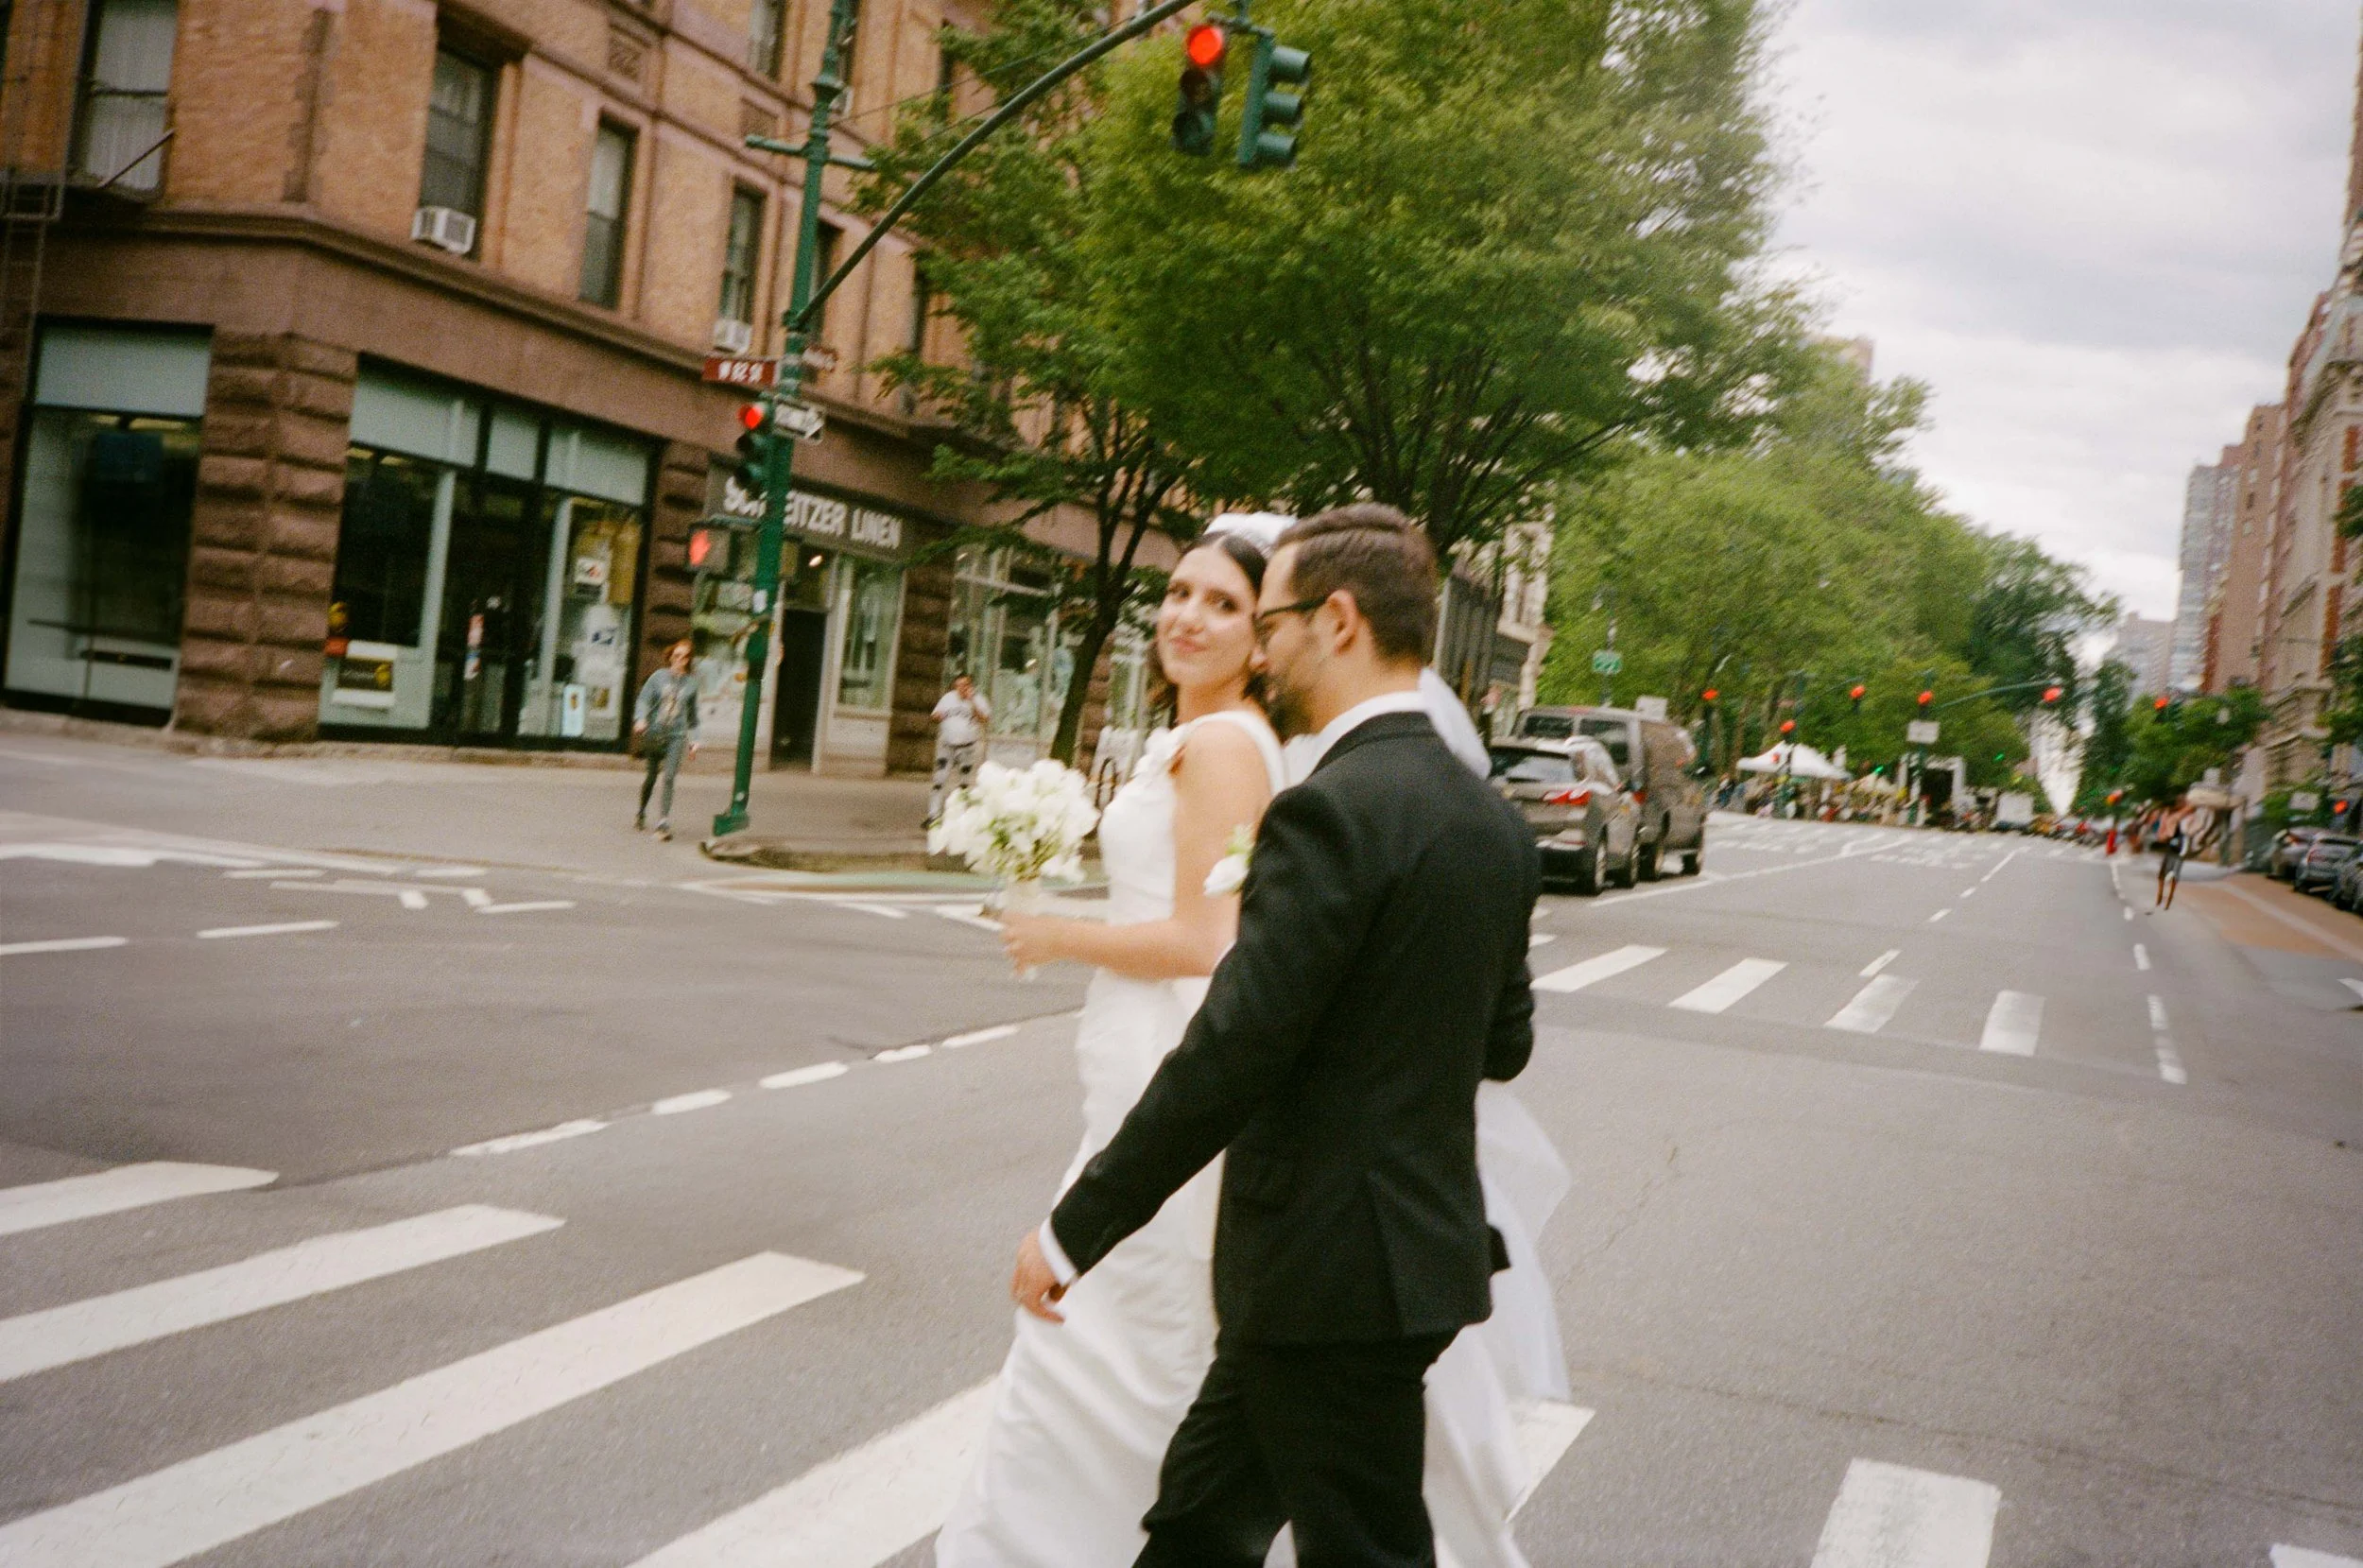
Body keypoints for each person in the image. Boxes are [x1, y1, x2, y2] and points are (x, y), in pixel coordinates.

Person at [992, 504, 1552, 1568]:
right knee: (1198, 1528)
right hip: (1382, 1264)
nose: (1267, 649)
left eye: (1277, 620)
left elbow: (1234, 1049)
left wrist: (1075, 1231)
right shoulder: (1489, 821)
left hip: (1327, 1271)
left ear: (1336, 621)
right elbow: (1503, 1042)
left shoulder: (1331, 809)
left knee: (1361, 1547)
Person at [632, 640, 699, 841]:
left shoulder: (691, 684)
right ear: (670, 656)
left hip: (676, 736)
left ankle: (663, 822)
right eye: (677, 655)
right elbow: (644, 699)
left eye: (684, 657)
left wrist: (694, 740)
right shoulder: (658, 678)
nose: (680, 660)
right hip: (655, 732)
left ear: (689, 660)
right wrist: (641, 718)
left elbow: (693, 716)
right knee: (651, 777)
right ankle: (642, 811)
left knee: (669, 776)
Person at [930, 674, 992, 821]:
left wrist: (972, 702)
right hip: (947, 745)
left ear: (971, 686)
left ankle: (962, 816)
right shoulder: (948, 698)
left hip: (966, 746)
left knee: (964, 782)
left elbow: (985, 719)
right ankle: (933, 815)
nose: (961, 688)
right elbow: (935, 715)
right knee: (939, 780)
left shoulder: (978, 699)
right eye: (958, 685)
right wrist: (937, 716)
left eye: (965, 685)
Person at [2155, 811, 2188, 909]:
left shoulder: (2174, 819)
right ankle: (2163, 897)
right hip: (2177, 851)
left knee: (2169, 875)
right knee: (2168, 875)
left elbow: (2166, 835)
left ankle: (2165, 898)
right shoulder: (2175, 819)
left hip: (2176, 852)